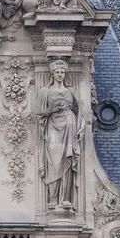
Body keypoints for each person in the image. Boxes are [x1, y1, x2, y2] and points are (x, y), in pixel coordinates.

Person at [37, 59, 85, 209]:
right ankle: (52, 199)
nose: (60, 74)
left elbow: (80, 111)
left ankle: (65, 198)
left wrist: (80, 122)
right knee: (53, 162)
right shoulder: (45, 91)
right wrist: (52, 110)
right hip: (52, 126)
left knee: (67, 160)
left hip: (69, 125)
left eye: (62, 72)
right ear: (52, 73)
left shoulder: (71, 91)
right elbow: (39, 112)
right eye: (57, 72)